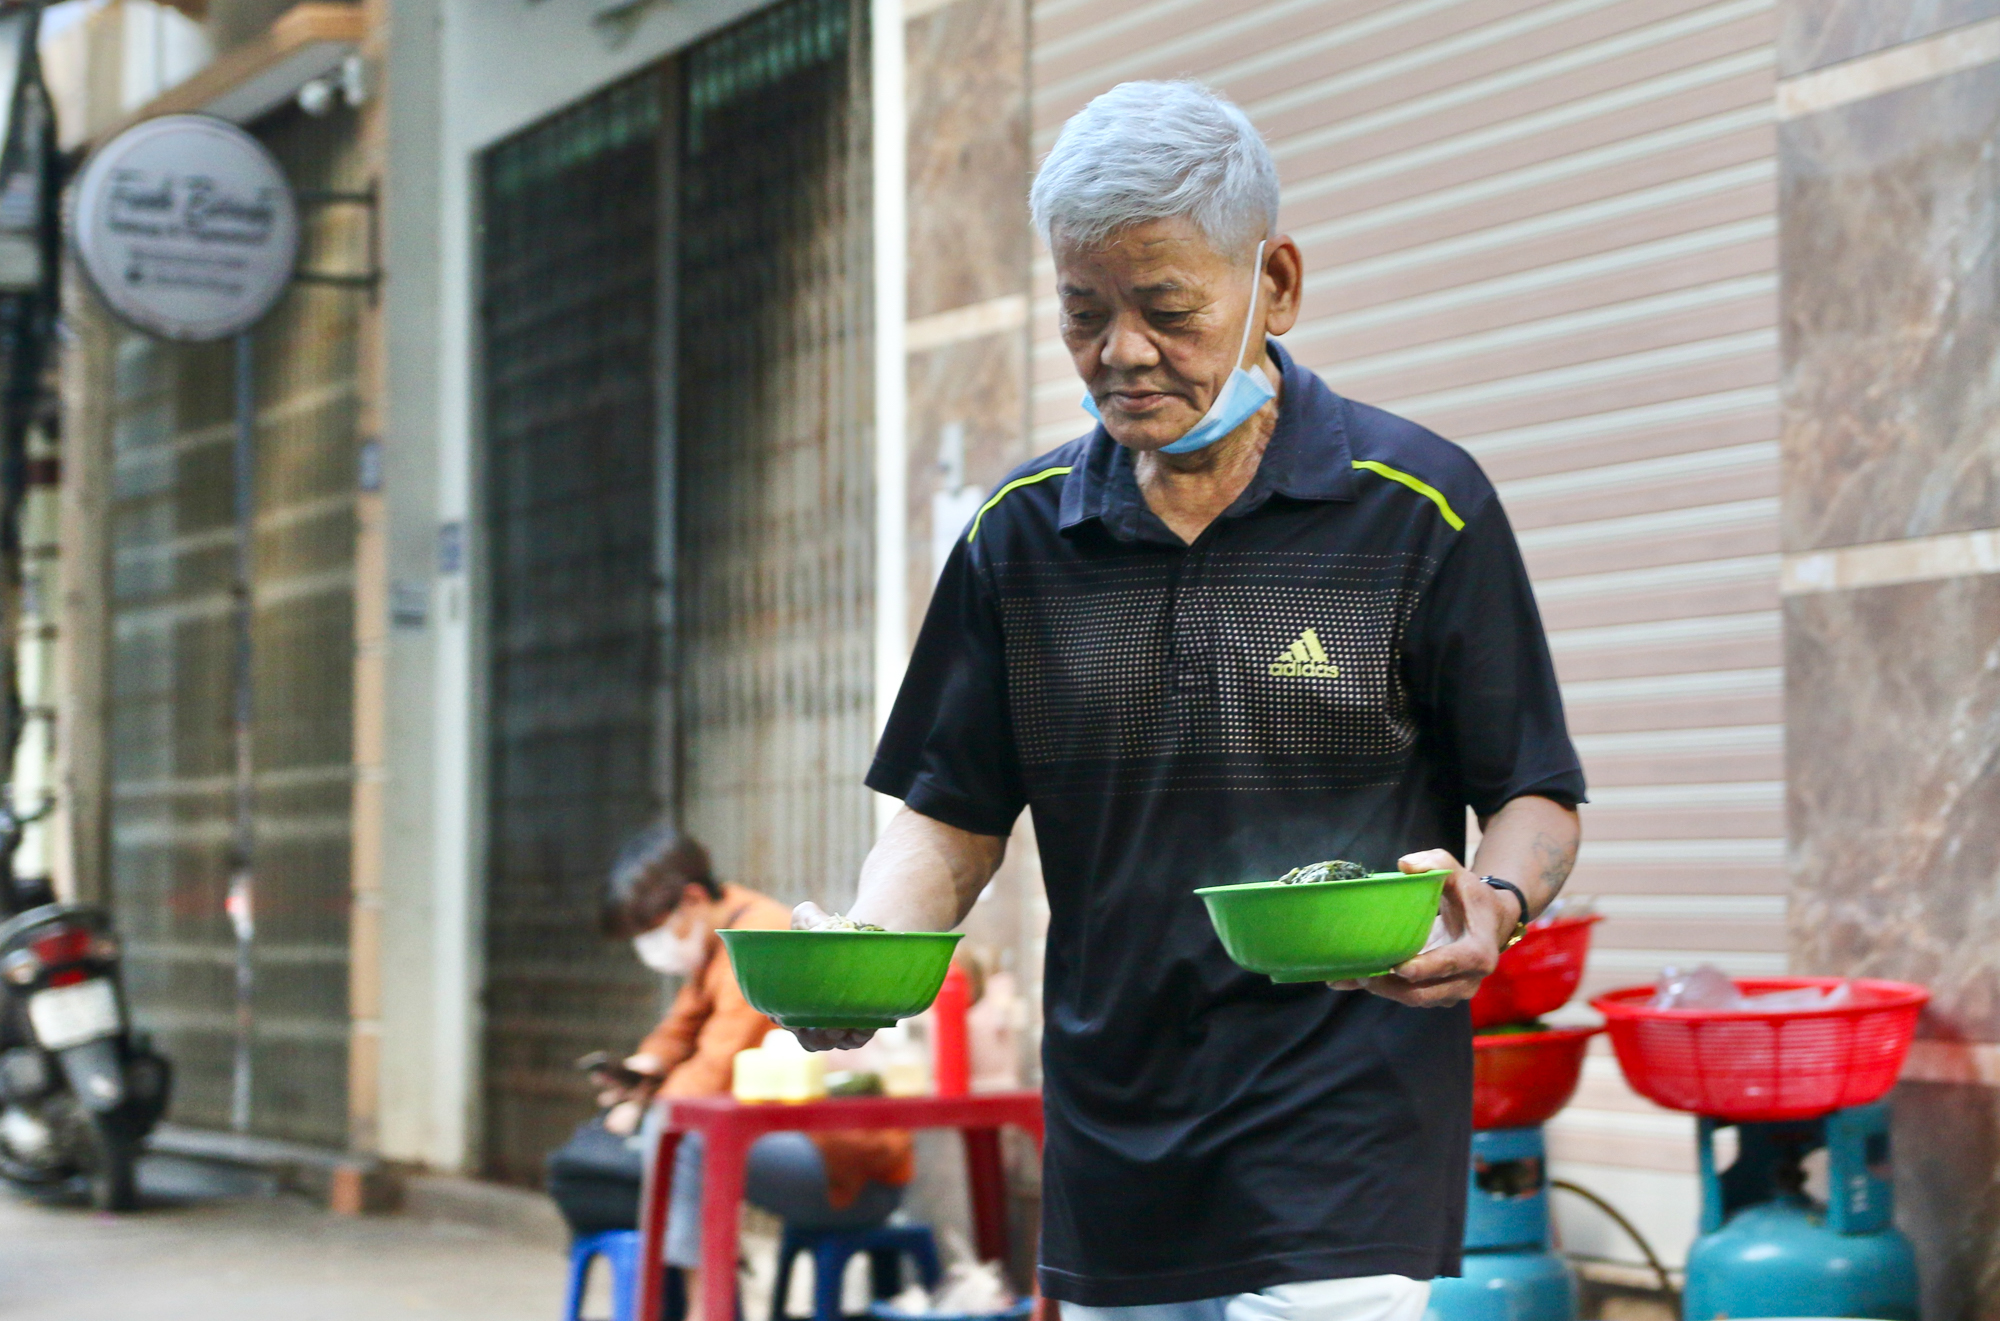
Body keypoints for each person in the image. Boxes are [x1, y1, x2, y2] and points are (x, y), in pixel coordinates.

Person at [793, 80, 1585, 1321]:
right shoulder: (1020, 537)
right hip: (1118, 1134)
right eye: (1082, 313)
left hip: (1346, 1121)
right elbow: (950, 814)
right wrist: (863, 955)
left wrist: (1493, 905)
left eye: (1166, 308)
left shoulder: (1417, 506)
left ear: (1273, 282)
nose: (1119, 352)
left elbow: (1534, 788)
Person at [585, 825, 915, 1312]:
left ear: (693, 898)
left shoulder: (757, 939)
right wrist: (644, 1066)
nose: (650, 948)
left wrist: (646, 1105)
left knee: (684, 1137)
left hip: (850, 1172)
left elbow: (716, 1067)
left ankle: (709, 1308)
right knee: (663, 1133)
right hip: (800, 1143)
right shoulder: (719, 940)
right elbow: (682, 1025)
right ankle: (707, 1299)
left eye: (653, 931)